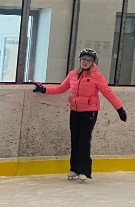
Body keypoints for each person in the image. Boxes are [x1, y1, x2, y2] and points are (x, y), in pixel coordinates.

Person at [32, 48, 127, 182]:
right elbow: (61, 88)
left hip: (89, 112)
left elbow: (107, 92)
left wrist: (120, 109)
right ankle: (74, 169)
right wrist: (44, 89)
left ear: (93, 63)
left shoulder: (96, 76)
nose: (85, 62)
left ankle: (84, 170)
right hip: (75, 111)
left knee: (83, 140)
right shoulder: (73, 74)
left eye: (89, 60)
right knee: (75, 140)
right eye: (83, 59)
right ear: (80, 60)